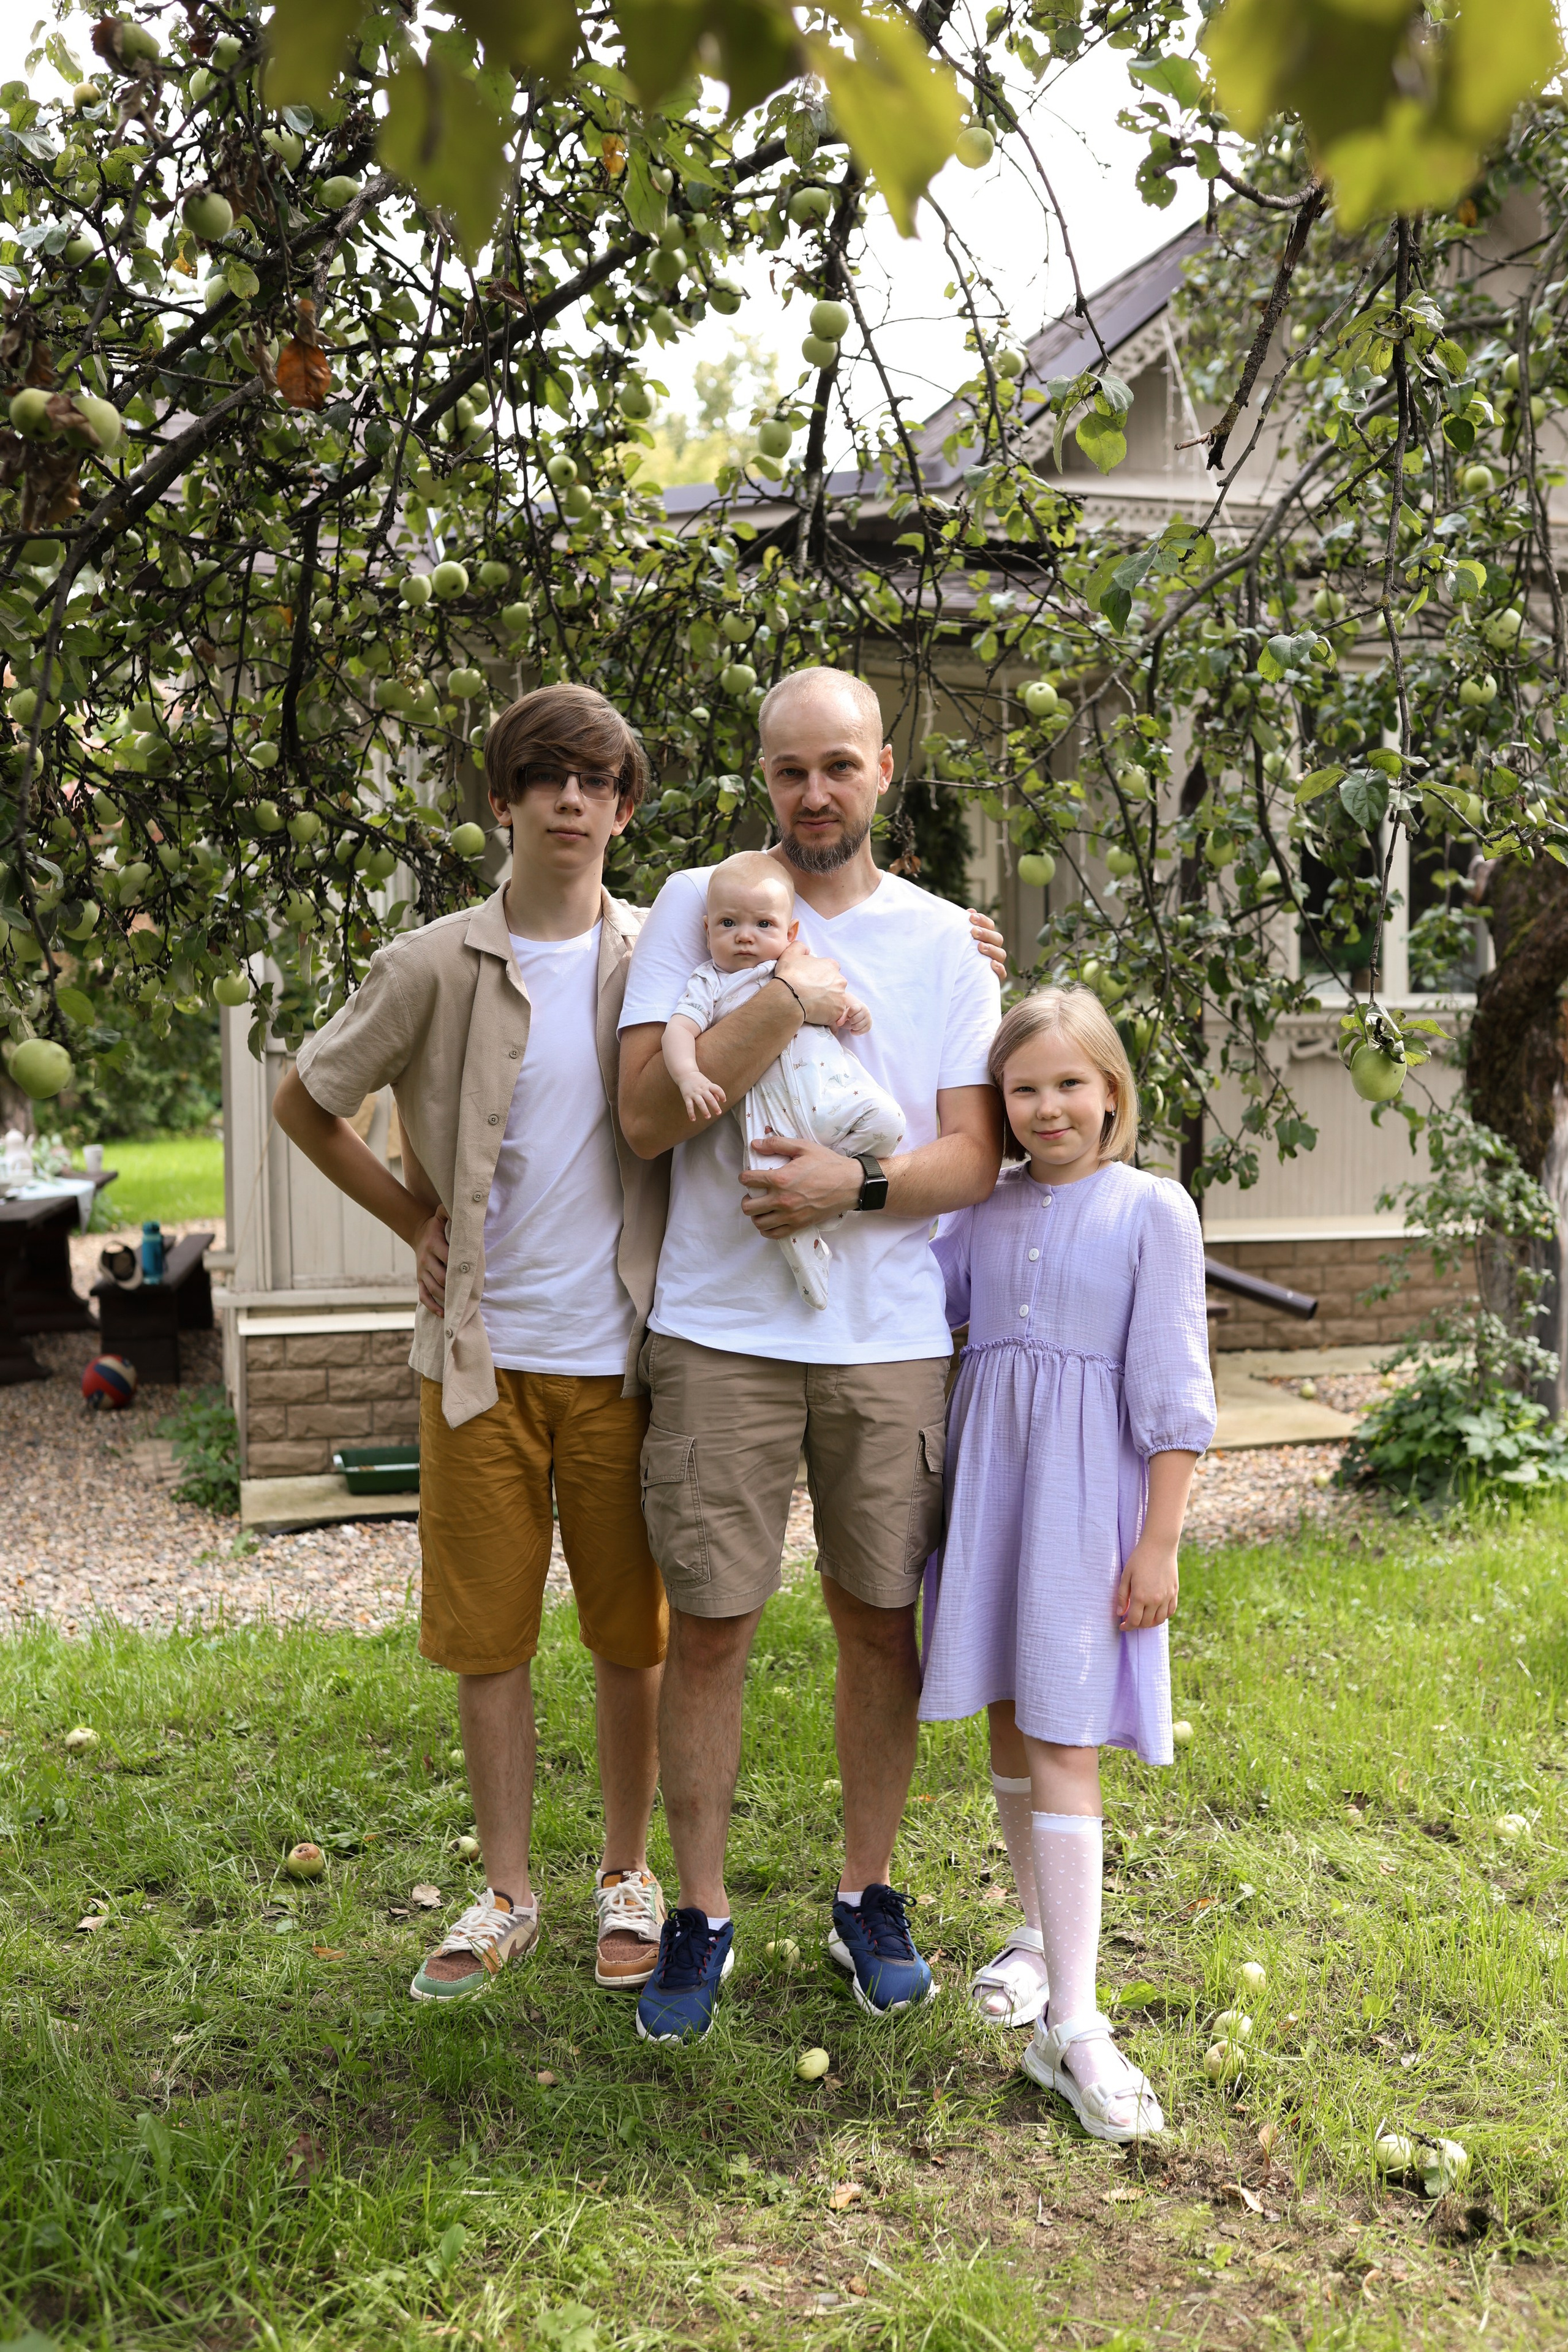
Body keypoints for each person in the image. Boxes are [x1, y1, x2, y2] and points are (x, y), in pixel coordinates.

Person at [617, 665, 1005, 2042]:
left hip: (884, 1337)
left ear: (883, 772)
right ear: (761, 777)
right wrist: (788, 991)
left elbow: (971, 1147)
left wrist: (860, 1191)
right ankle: (700, 1915)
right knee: (710, 1625)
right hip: (720, 1330)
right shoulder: (694, 904)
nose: (813, 794)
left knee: (875, 1624)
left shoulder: (944, 946)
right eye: (789, 770)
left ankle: (865, 1896)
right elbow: (648, 1120)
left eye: (838, 766)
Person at [273, 684, 673, 2007]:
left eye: (595, 780)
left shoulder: (660, 953)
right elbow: (307, 1097)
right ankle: (506, 1891)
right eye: (544, 777)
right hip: (478, 1368)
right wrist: (416, 1220)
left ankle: (628, 1874)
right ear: (501, 801)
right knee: (489, 1639)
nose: (571, 799)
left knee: (630, 1632)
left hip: (621, 1360)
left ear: (622, 807)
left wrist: (937, 938)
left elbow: (796, 947)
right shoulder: (433, 964)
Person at [919, 986, 1215, 2143]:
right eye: (1024, 1089)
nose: (1048, 1108)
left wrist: (1160, 1539)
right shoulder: (979, 1215)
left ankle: (1077, 2027)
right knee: (1009, 1713)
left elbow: (1177, 1390)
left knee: (1063, 1733)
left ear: (1111, 1093)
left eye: (1068, 1085)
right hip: (994, 1494)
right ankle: (1038, 1936)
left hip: (1091, 1502)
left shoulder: (1152, 1209)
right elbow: (917, 1305)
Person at [661, 850, 904, 1308]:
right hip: (772, 1117)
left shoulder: (794, 968)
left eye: (763, 925)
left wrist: (855, 1011)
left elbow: (836, 1003)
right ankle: (812, 1274)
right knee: (773, 1196)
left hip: (829, 1100)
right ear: (707, 929)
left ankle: (831, 1178)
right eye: (729, 924)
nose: (745, 937)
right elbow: (680, 1030)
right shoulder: (709, 981)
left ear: (790, 933)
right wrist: (688, 1074)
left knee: (888, 1121)